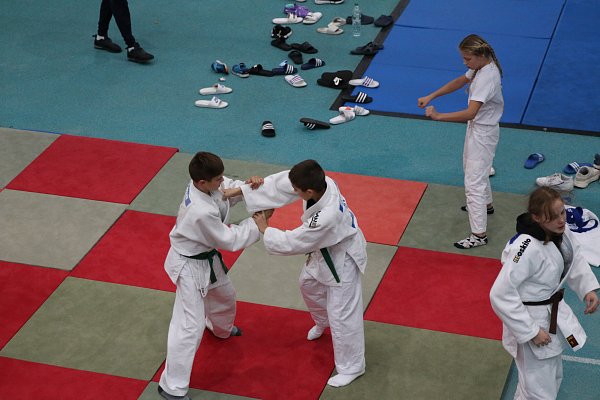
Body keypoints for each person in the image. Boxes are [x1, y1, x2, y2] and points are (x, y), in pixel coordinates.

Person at [237, 159, 368, 388]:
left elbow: (294, 241)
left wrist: (265, 228)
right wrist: (245, 189)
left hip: (341, 259)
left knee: (343, 314)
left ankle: (352, 367)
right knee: (308, 285)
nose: (294, 192)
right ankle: (323, 321)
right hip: (323, 248)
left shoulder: (326, 216)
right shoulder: (324, 183)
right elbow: (284, 183)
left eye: (297, 191)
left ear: (309, 192)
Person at [158, 152, 264, 400]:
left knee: (225, 296)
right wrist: (257, 223)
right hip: (189, 265)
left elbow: (226, 190)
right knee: (189, 326)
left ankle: (220, 329)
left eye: (221, 177)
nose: (222, 181)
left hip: (206, 258)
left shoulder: (205, 184)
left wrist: (249, 186)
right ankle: (171, 386)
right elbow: (229, 239)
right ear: (202, 182)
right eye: (217, 179)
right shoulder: (200, 210)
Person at [490, 187, 599, 399]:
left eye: (562, 212)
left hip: (550, 312)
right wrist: (530, 331)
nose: (561, 220)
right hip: (532, 319)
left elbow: (574, 257)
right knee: (539, 391)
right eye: (553, 216)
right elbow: (500, 294)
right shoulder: (525, 248)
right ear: (537, 217)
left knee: (551, 377)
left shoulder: (560, 231)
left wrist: (586, 288)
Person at [418, 34, 503, 249]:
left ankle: (479, 235)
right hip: (478, 130)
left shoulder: (487, 77)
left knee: (473, 183)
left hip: (483, 133)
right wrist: (431, 95)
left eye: (467, 59)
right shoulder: (480, 67)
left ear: (481, 55)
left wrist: (439, 116)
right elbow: (460, 81)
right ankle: (486, 205)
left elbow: (471, 112)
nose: (465, 63)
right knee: (475, 171)